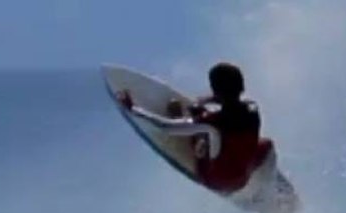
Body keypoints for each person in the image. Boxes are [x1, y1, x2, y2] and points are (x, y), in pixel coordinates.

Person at [117, 62, 276, 195]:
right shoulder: (253, 109)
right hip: (245, 173)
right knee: (267, 144)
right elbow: (232, 107)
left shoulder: (213, 121)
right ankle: (271, 184)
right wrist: (209, 100)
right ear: (242, 86)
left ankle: (189, 130)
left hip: (221, 181)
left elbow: (166, 127)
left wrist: (133, 109)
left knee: (200, 134)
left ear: (216, 91)